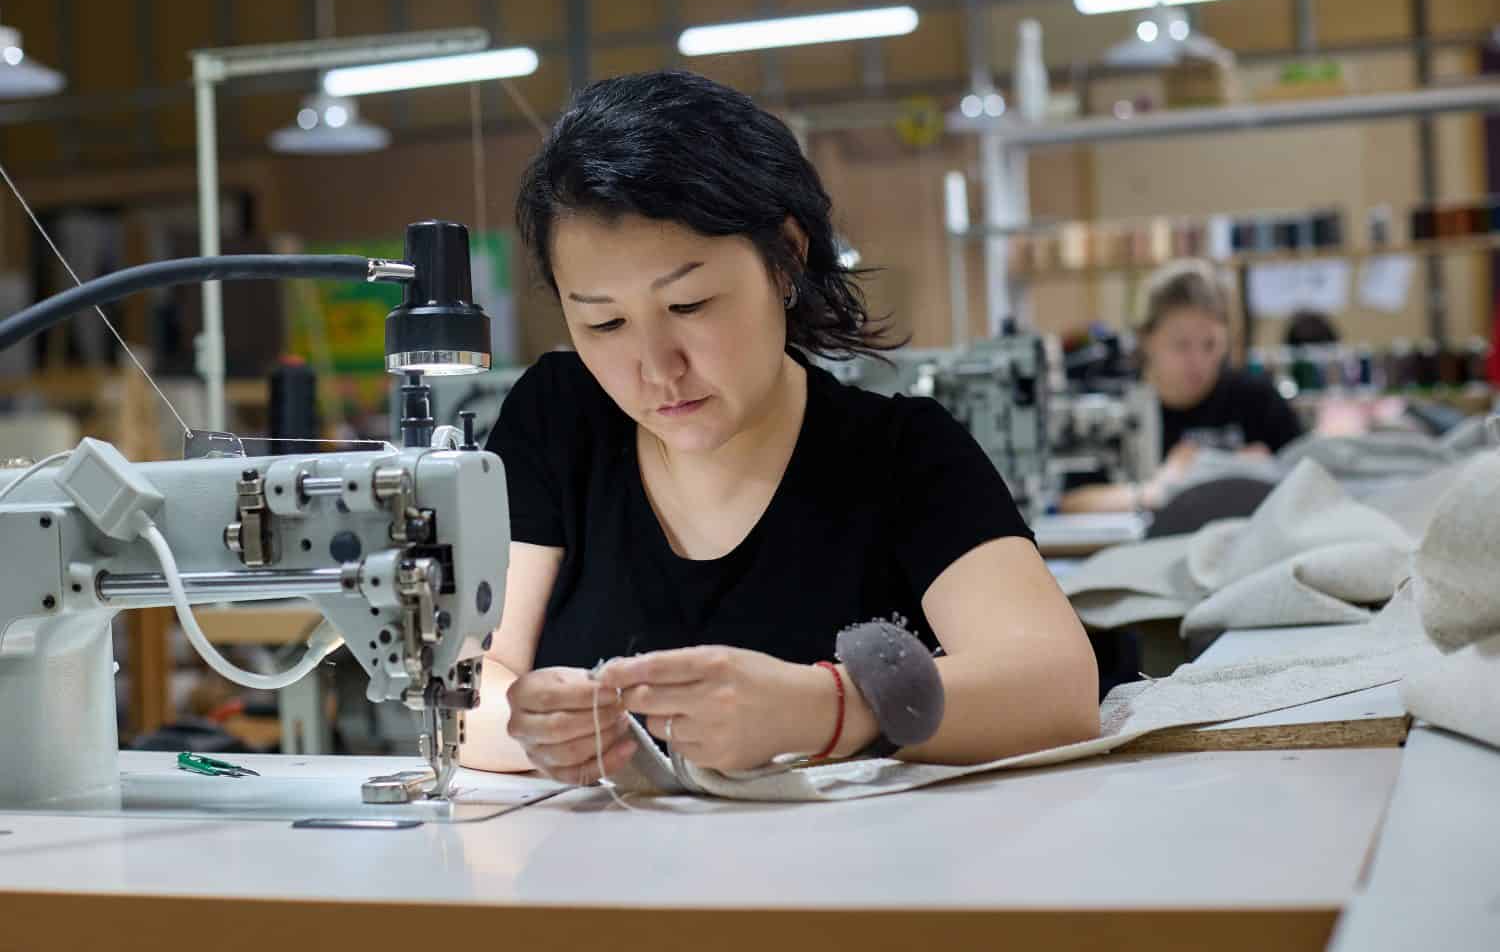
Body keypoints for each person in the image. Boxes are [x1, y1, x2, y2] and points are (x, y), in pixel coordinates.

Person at [461, 71, 1099, 783]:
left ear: (786, 259)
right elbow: (468, 684)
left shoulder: (901, 456)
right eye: (603, 322)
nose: (656, 368)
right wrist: (538, 735)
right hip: (608, 883)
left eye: (691, 305)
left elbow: (1057, 687)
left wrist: (823, 709)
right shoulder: (558, 421)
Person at [1060, 260, 1304, 515]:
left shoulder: (1257, 399)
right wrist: (1158, 490)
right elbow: (1072, 500)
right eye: (1181, 345)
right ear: (1145, 339)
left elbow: (1306, 480)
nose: (1198, 361)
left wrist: (1257, 471)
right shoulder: (1111, 409)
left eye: (1210, 345)